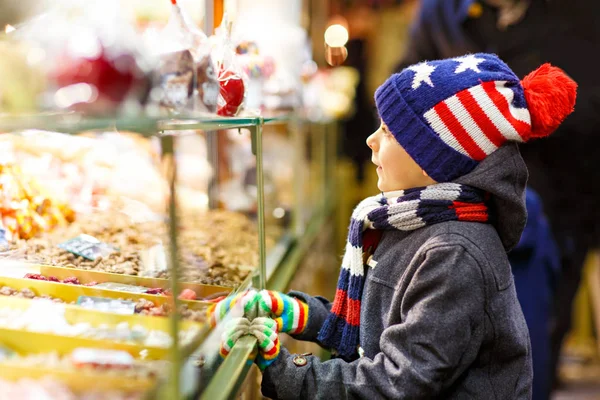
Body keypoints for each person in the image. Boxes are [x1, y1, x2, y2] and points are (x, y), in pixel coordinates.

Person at [210, 53, 577, 399]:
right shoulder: (414, 222)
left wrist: (287, 371)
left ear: (432, 160)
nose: (371, 140)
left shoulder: (453, 252)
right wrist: (295, 312)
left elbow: (398, 381)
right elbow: (373, 323)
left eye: (388, 131)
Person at [393, 1, 600, 391]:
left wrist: (519, 114)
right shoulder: (438, 14)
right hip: (458, 217)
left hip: (558, 216)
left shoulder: (582, 13)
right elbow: (404, 94)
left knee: (535, 349)